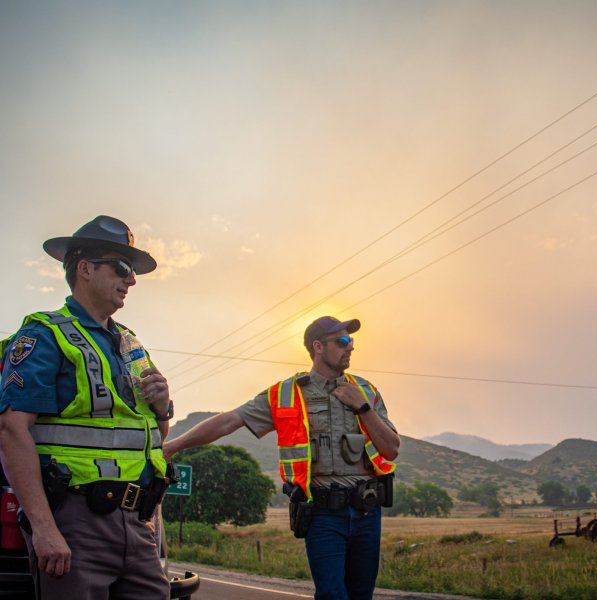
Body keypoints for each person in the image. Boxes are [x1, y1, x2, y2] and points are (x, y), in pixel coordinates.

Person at [164, 315, 400, 600]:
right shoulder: (286, 393)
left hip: (366, 511)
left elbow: (391, 449)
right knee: (332, 595)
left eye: (351, 341)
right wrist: (173, 445)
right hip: (323, 514)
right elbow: (229, 421)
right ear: (318, 347)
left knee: (362, 595)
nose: (350, 347)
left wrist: (362, 406)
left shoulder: (366, 390)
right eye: (342, 341)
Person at [0, 215, 174, 600]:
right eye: (123, 267)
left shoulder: (130, 344)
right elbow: (12, 431)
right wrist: (44, 528)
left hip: (138, 521)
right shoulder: (44, 336)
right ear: (85, 269)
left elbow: (155, 437)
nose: (131, 280)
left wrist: (162, 408)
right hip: (75, 523)